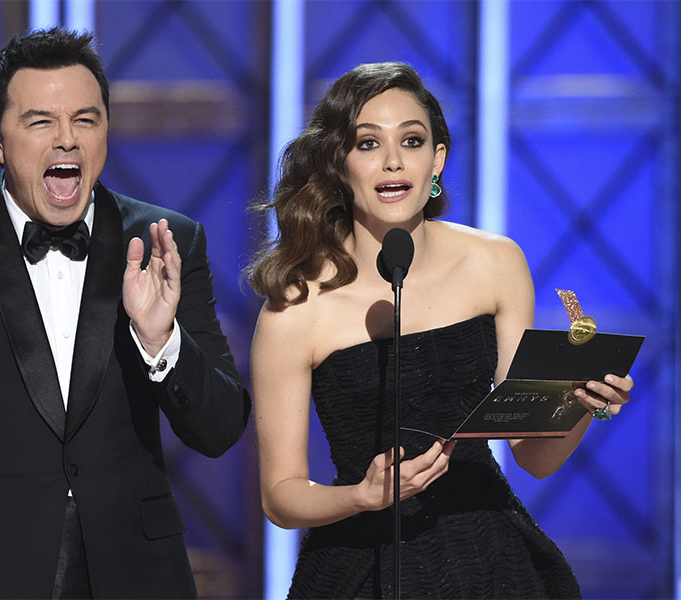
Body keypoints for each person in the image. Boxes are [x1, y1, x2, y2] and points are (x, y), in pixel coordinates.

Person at [0, 28, 250, 599]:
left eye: (86, 120)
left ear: (107, 131)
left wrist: (162, 340)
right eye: (41, 121)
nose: (66, 140)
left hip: (133, 574)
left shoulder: (168, 242)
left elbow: (218, 430)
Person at [248, 62, 633, 599]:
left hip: (489, 558)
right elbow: (280, 496)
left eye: (411, 140)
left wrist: (584, 406)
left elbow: (531, 453)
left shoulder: (495, 262)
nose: (391, 161)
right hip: (364, 567)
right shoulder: (296, 308)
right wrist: (364, 495)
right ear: (339, 166)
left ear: (437, 160)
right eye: (366, 143)